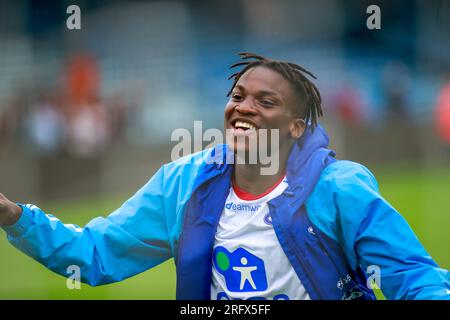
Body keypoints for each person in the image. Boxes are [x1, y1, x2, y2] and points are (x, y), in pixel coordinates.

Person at [1, 53, 449, 300]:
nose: (244, 107)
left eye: (266, 101)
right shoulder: (182, 185)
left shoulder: (339, 188)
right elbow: (93, 255)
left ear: (296, 127)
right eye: (238, 95)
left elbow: (414, 278)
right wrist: (16, 216)